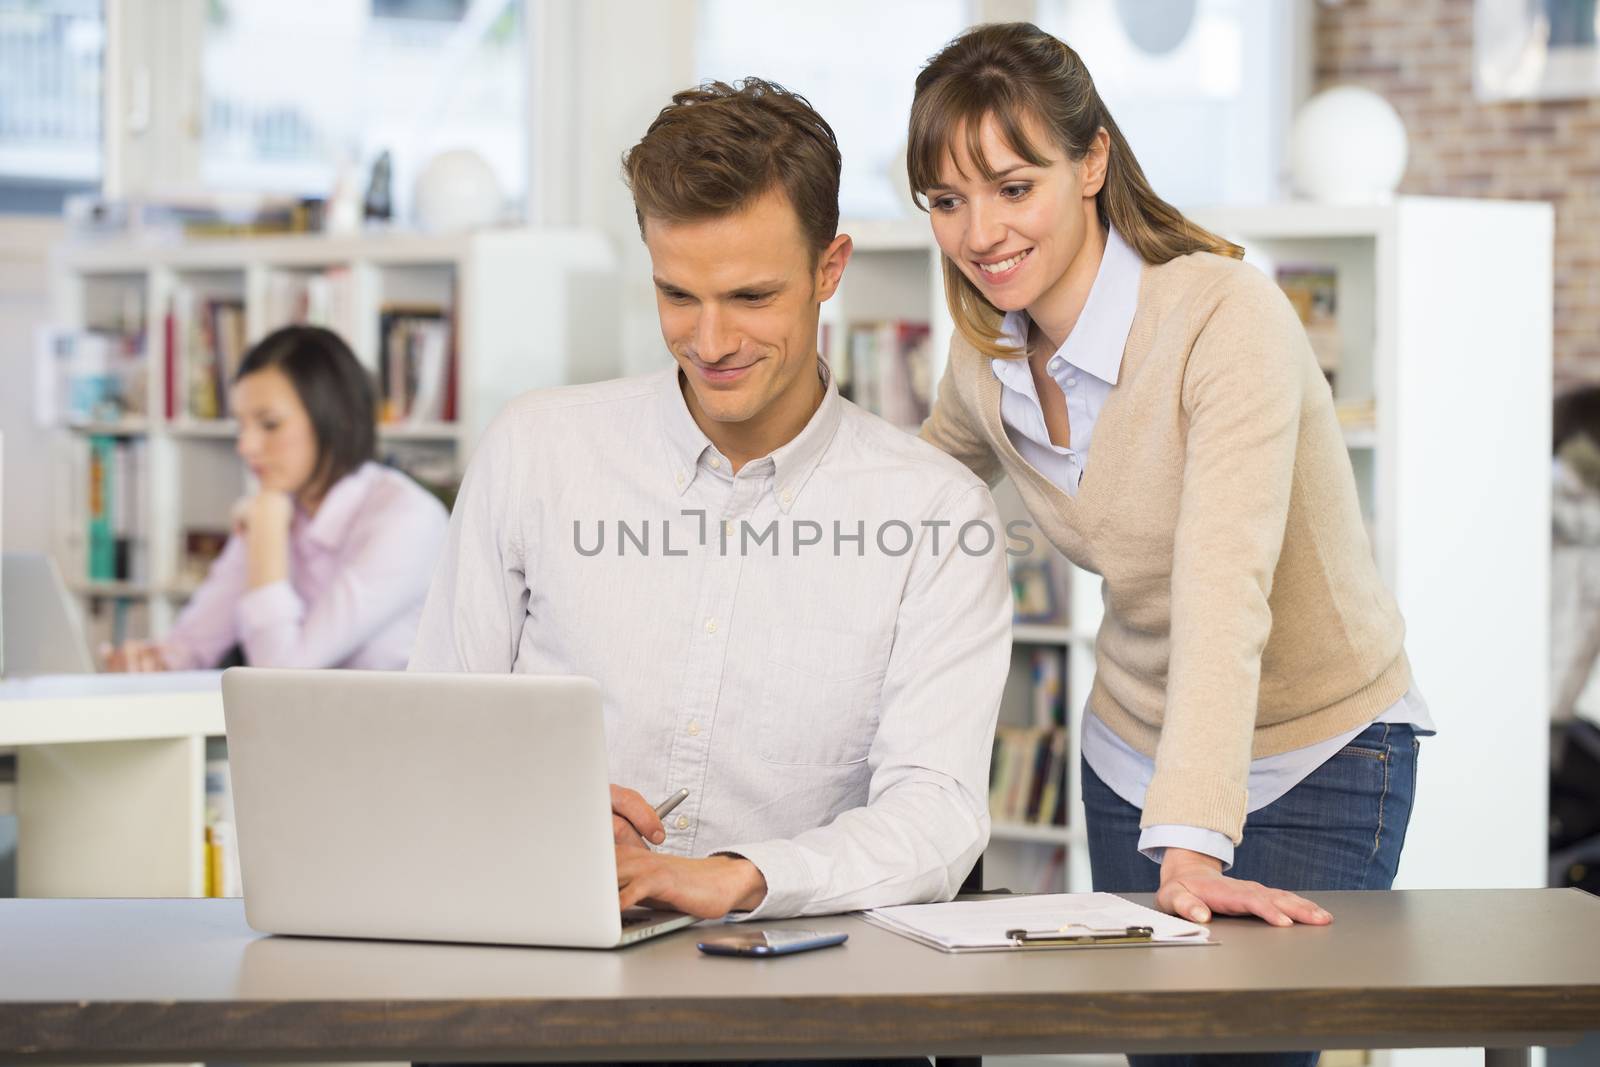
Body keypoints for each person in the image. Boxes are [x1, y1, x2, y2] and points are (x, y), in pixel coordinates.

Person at [909, 23, 1434, 1067]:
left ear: (1093, 160)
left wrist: (1190, 845)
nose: (979, 232)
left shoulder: (1222, 316)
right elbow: (900, 502)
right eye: (945, 200)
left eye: (1014, 187)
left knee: (1242, 1057)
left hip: (1314, 746)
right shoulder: (988, 356)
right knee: (1159, 1055)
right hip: (1130, 750)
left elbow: (1222, 584)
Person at [409, 78, 1011, 922]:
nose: (712, 341)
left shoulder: (935, 518)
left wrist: (743, 875)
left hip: (799, 989)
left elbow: (938, 815)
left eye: (751, 297)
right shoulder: (535, 451)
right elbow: (433, 731)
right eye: (678, 295)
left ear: (828, 268)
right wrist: (533, 806)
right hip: (551, 949)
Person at [104, 325, 449, 673]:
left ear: (332, 419)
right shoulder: (280, 506)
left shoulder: (407, 519)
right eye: (241, 425)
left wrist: (266, 533)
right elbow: (191, 645)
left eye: (269, 424)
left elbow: (280, 672)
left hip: (393, 726)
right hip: (306, 724)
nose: (246, 446)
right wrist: (150, 661)